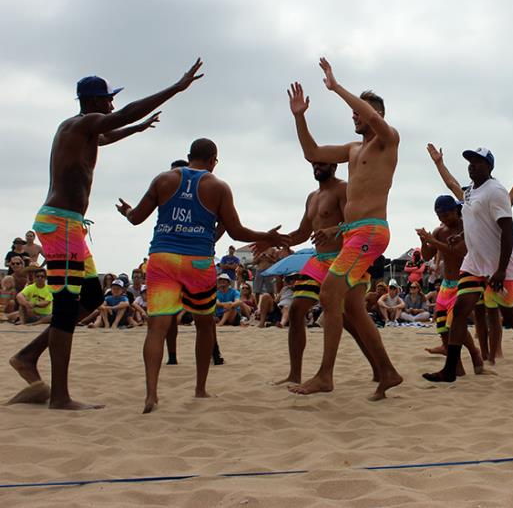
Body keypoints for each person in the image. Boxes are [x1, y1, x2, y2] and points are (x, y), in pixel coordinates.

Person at [8, 60, 201, 410]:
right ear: (95, 102)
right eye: (108, 99)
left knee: (93, 294)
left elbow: (113, 131)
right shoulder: (83, 122)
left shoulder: (80, 130)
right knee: (67, 306)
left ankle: (28, 354)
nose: (111, 105)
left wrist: (137, 129)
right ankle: (60, 397)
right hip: (60, 224)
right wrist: (176, 88)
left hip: (71, 226)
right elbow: (121, 116)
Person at [116, 137, 289, 413]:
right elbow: (236, 231)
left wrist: (126, 212)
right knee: (204, 324)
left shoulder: (163, 179)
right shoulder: (217, 186)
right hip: (198, 261)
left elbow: (136, 218)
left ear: (188, 156)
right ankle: (200, 389)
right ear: (213, 161)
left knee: (156, 328)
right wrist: (267, 236)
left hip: (162, 258)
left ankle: (151, 394)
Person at [285, 58, 403, 400]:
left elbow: (376, 120)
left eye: (360, 112)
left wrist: (336, 87)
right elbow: (312, 152)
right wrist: (299, 117)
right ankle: (388, 372)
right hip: (353, 233)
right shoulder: (353, 149)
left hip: (371, 231)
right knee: (351, 307)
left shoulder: (387, 140)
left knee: (329, 293)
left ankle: (325, 375)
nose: (354, 116)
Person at [423, 147, 513, 383]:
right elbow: (453, 187)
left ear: (489, 167)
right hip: (475, 263)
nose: (471, 165)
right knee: (460, 309)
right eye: (469, 161)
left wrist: (500, 270)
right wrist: (439, 163)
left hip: (500, 263)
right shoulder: (469, 193)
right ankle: (450, 369)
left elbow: (508, 230)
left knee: (509, 315)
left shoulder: (496, 191)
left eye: (477, 162)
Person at [273, 160, 390, 390]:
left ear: (334, 165)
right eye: (315, 163)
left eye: (322, 163)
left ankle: (379, 370)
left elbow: (356, 221)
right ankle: (295, 374)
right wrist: (274, 240)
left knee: (352, 317)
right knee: (296, 309)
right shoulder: (312, 197)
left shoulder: (344, 189)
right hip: (319, 260)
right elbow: (302, 232)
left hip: (345, 256)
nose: (317, 166)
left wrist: (336, 230)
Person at [416, 195, 486, 375]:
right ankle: (457, 367)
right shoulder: (440, 231)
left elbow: (457, 252)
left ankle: (474, 353)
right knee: (442, 327)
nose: (443, 219)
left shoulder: (466, 228)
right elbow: (426, 256)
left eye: (446, 214)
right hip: (446, 285)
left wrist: (433, 241)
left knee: (456, 324)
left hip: (464, 281)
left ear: (456, 210)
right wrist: (424, 241)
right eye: (439, 216)